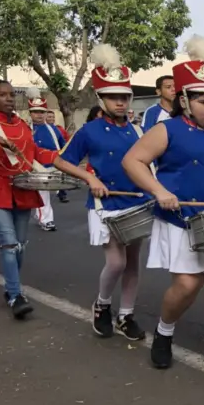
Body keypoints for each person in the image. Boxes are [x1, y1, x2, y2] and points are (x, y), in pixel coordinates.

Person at [122, 35, 204, 371]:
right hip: (183, 219)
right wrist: (159, 191)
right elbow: (133, 161)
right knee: (187, 283)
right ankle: (164, 333)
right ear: (184, 98)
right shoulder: (169, 130)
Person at [0, 80, 101, 318]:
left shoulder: (23, 126)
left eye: (10, 95)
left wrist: (73, 167)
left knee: (20, 246)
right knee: (8, 243)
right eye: (2, 95)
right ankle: (16, 295)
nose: (8, 98)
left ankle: (10, 287)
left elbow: (37, 153)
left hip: (24, 188)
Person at [57, 44, 149, 340]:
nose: (120, 102)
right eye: (114, 97)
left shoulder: (137, 131)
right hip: (105, 205)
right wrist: (88, 177)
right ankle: (102, 305)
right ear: (101, 98)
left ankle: (126, 315)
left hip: (137, 203)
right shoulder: (89, 131)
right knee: (116, 262)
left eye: (124, 96)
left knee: (133, 262)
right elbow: (60, 160)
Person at [27, 87, 66, 231]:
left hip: (53, 166)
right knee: (42, 194)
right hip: (35, 168)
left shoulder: (53, 129)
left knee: (47, 195)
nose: (39, 115)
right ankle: (46, 220)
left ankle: (40, 215)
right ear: (30, 113)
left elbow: (63, 146)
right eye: (36, 112)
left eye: (42, 112)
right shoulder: (26, 128)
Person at [45, 108, 71, 203]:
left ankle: (62, 194)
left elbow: (63, 142)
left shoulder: (58, 129)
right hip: (44, 159)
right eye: (49, 117)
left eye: (52, 117)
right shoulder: (40, 128)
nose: (51, 118)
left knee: (60, 176)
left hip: (56, 157)